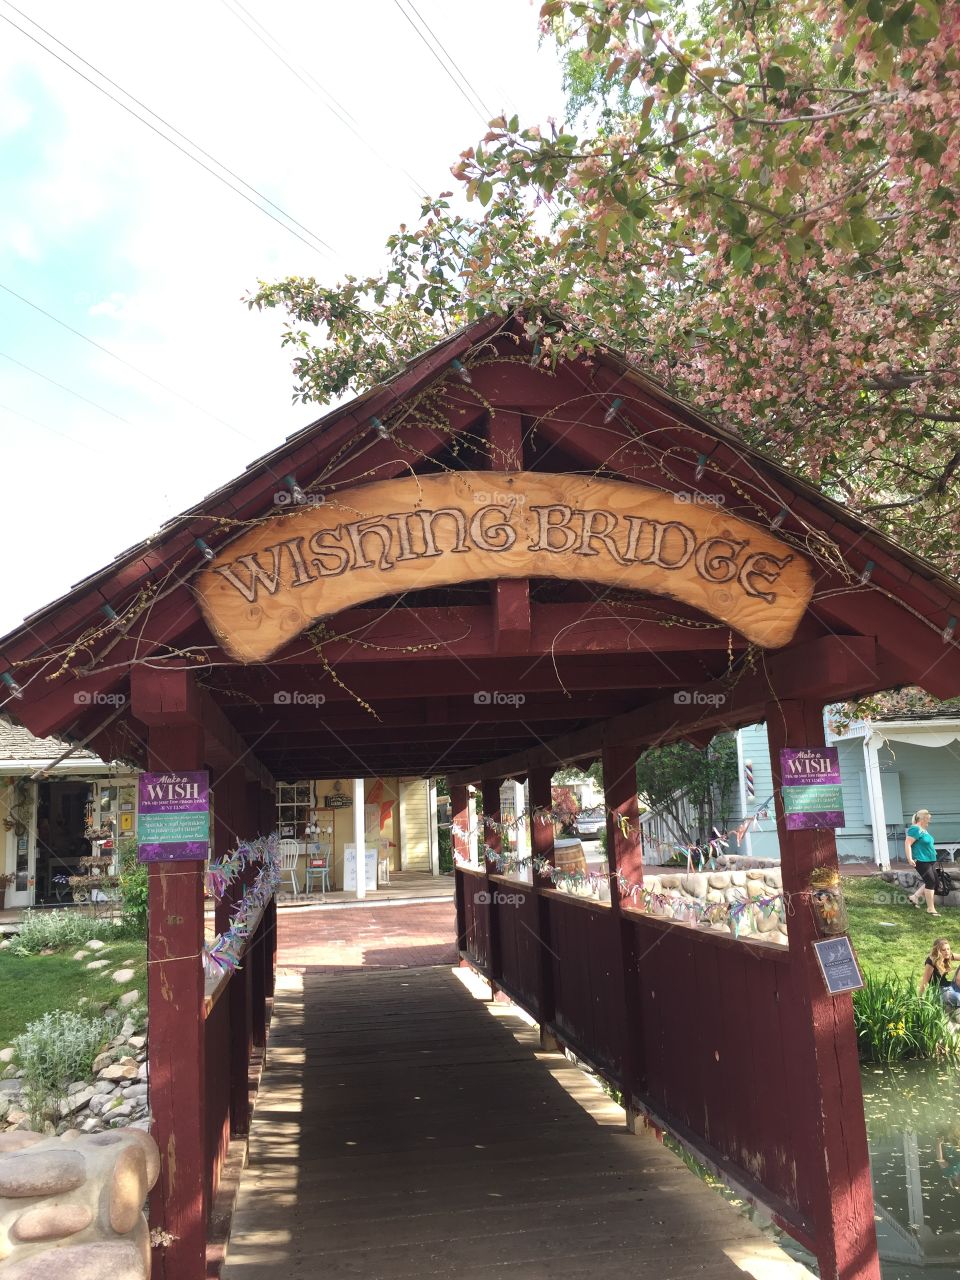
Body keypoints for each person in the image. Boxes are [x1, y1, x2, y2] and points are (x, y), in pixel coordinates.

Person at [906, 808, 940, 914]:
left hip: (930, 860)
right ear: (922, 819)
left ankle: (914, 897)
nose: (929, 821)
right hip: (921, 860)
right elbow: (907, 843)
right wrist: (909, 858)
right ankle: (930, 908)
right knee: (930, 881)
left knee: (936, 882)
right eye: (928, 819)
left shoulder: (923, 830)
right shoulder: (915, 829)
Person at [918, 937, 960, 1008]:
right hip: (940, 991)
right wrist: (919, 999)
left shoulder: (947, 956)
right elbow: (924, 982)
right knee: (958, 998)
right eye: (943, 950)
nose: (947, 951)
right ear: (938, 951)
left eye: (948, 949)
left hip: (950, 985)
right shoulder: (931, 962)